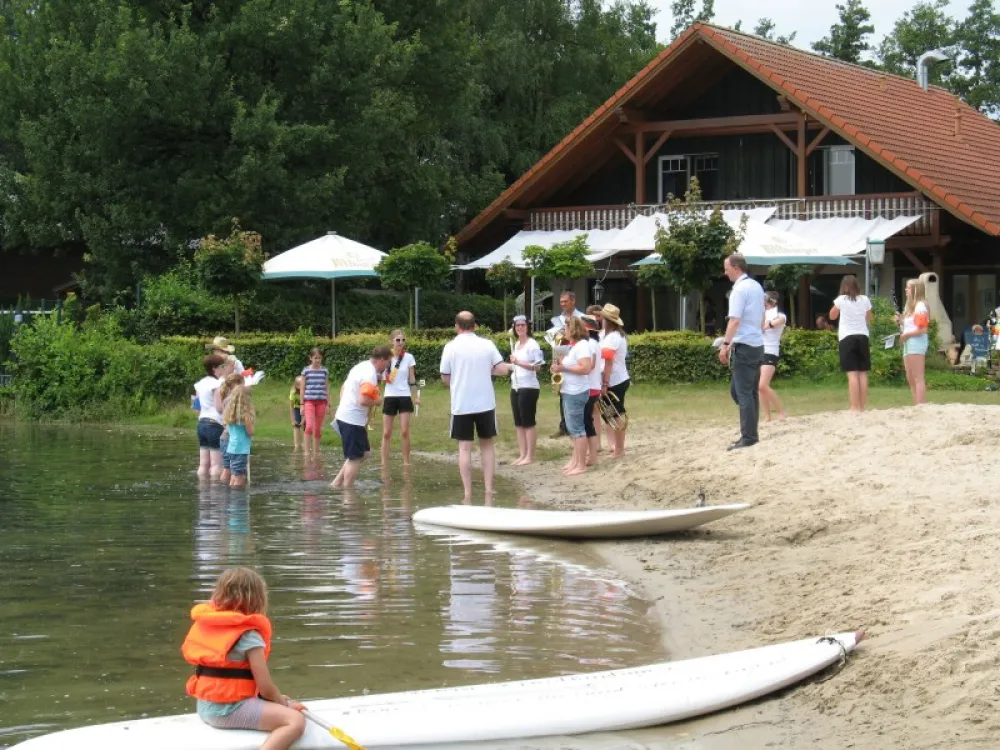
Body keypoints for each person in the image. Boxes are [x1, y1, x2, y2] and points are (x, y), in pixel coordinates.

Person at [181, 567, 306, 750]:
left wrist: (279, 701)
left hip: (205, 707)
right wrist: (281, 703)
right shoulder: (249, 636)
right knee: (295, 721)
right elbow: (266, 688)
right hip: (228, 711)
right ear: (257, 599)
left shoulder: (208, 626)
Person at [440, 311, 511, 503]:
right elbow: (501, 369)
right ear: (475, 325)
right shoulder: (486, 344)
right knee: (487, 445)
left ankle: (468, 493)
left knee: (464, 448)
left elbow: (445, 378)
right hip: (485, 402)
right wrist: (509, 367)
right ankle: (489, 489)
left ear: (456, 326)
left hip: (462, 403)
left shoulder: (450, 347)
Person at [719, 254, 765, 450]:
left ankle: (748, 436)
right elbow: (762, 315)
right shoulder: (756, 286)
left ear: (736, 268)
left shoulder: (739, 289)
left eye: (727, 268)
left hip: (745, 344)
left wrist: (725, 343)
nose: (725, 272)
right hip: (757, 344)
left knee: (743, 392)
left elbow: (734, 320)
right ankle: (751, 432)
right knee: (748, 391)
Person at [331, 346, 392, 489]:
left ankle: (336, 483)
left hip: (348, 417)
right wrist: (378, 401)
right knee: (355, 458)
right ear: (382, 360)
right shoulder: (369, 374)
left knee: (365, 453)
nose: (387, 366)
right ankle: (348, 492)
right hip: (352, 420)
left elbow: (343, 388)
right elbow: (363, 400)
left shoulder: (360, 366)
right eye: (388, 362)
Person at [553, 317, 594, 476]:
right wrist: (557, 368)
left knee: (577, 430)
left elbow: (586, 368)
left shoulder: (582, 346)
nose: (565, 331)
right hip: (569, 390)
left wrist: (565, 368)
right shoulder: (575, 346)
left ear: (573, 329)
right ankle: (576, 462)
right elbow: (570, 366)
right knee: (572, 429)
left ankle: (581, 465)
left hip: (576, 392)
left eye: (566, 328)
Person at [829, 274, 873, 413]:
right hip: (862, 336)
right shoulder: (864, 299)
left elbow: (832, 316)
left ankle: (854, 406)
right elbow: (869, 318)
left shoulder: (841, 300)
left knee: (852, 373)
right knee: (862, 373)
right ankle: (862, 406)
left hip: (847, 337)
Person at [508, 314, 544, 466]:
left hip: (528, 387)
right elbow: (514, 366)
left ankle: (530, 455)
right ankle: (522, 454)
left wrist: (519, 362)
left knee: (528, 422)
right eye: (517, 326)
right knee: (518, 423)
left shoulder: (533, 344)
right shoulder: (516, 344)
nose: (520, 328)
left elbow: (537, 367)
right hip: (516, 386)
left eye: (523, 325)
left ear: (527, 327)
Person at [381, 329, 418, 466]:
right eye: (398, 340)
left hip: (404, 395)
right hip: (390, 396)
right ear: (392, 341)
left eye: (403, 340)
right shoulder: (386, 356)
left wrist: (415, 396)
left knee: (404, 431)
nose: (401, 342)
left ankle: (406, 462)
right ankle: (384, 463)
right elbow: (379, 375)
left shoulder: (409, 357)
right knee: (386, 433)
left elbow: (412, 378)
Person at [550, 290, 585, 438]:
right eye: (561, 302)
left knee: (574, 391)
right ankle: (564, 425)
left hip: (577, 353)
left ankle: (575, 425)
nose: (563, 304)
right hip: (562, 351)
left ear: (573, 301)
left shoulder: (582, 317)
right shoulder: (557, 319)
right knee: (562, 389)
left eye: (566, 301)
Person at [599, 303, 630, 458]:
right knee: (614, 414)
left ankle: (619, 450)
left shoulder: (612, 338)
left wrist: (605, 383)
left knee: (616, 415)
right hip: (618, 378)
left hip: (614, 380)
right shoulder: (617, 336)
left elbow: (608, 362)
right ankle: (618, 448)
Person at [195, 354, 227, 479]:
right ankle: (215, 495)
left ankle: (203, 494)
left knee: (203, 465)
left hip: (201, 423)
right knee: (216, 465)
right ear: (214, 368)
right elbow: (219, 408)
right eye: (221, 367)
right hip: (214, 424)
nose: (223, 369)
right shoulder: (217, 384)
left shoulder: (199, 384)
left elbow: (196, 406)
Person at [897, 278, 930, 404]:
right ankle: (917, 402)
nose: (906, 290)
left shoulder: (920, 305)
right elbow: (911, 325)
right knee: (910, 376)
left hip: (916, 341)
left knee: (917, 376)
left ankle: (921, 404)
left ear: (915, 290)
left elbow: (923, 329)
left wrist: (906, 335)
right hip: (909, 341)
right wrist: (901, 321)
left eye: (908, 287)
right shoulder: (910, 306)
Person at [760, 291, 787, 422]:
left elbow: (780, 321)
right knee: (759, 387)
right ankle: (767, 416)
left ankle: (781, 412)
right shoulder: (761, 314)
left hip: (770, 350)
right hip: (758, 350)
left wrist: (767, 324)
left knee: (762, 385)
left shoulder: (779, 314)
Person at [223, 382, 255, 488]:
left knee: (234, 475)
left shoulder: (230, 415)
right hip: (241, 450)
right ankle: (237, 501)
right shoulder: (245, 417)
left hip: (231, 448)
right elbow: (250, 432)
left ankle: (232, 499)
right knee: (239, 478)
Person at [299, 348, 330, 457]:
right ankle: (307, 453)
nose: (317, 360)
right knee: (309, 426)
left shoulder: (324, 371)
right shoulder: (306, 371)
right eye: (315, 358)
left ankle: (316, 452)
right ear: (310, 358)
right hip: (309, 401)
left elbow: (327, 388)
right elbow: (302, 388)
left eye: (319, 358)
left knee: (317, 428)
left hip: (321, 402)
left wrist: (328, 404)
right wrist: (302, 404)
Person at [216, 372, 245, 484]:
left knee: (227, 468)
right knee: (237, 473)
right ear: (238, 384)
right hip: (233, 437)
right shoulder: (235, 400)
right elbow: (239, 420)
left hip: (224, 437)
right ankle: (235, 496)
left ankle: (224, 494)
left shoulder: (226, 398)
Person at [583, 315, 603, 465]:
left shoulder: (589, 344)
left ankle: (592, 454)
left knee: (586, 421)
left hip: (589, 386)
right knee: (589, 419)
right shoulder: (594, 343)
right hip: (593, 385)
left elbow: (588, 366)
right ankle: (592, 451)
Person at [585, 304, 605, 452]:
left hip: (592, 381)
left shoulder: (592, 342)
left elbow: (590, 365)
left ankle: (595, 443)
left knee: (593, 413)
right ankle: (596, 443)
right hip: (595, 379)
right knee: (594, 413)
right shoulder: (594, 340)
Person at [289, 376, 304, 450]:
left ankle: (305, 444)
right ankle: (296, 445)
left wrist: (303, 419)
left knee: (305, 425)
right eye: (302, 384)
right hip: (296, 408)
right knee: (296, 425)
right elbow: (291, 407)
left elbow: (307, 406)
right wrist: (292, 419)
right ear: (297, 385)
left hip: (305, 409)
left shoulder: (306, 392)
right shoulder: (293, 393)